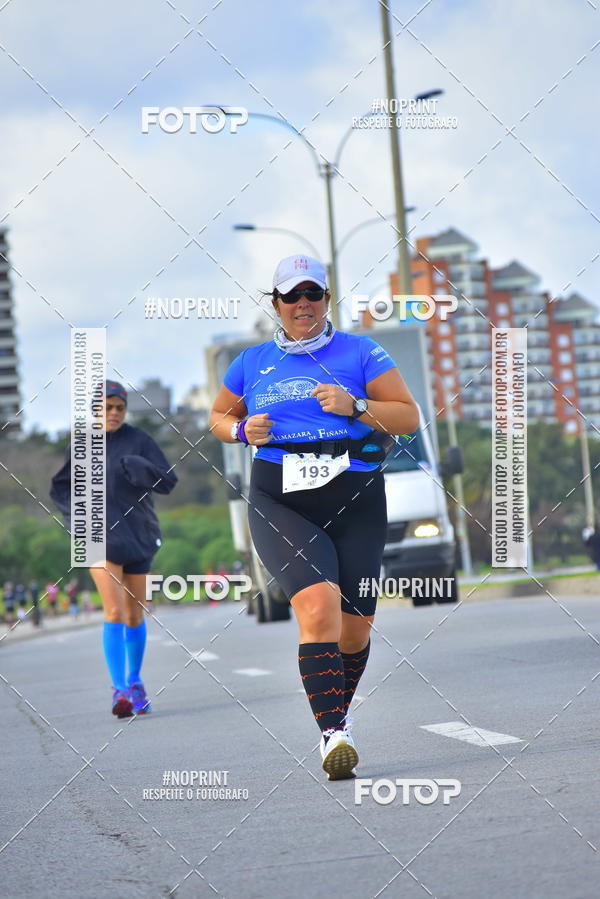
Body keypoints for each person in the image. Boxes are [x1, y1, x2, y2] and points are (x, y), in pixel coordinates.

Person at [210, 255, 419, 779]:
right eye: (292, 297)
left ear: (328, 299)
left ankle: (336, 717)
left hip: (355, 494)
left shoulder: (361, 350)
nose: (303, 305)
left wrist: (356, 406)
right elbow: (218, 417)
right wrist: (240, 432)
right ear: (275, 304)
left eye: (314, 295)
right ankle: (333, 734)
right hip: (282, 496)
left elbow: (409, 417)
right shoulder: (249, 362)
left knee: (355, 630)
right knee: (319, 609)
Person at [51, 380, 178, 717]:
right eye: (106, 408)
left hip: (138, 534)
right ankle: (119, 689)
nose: (113, 414)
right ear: (94, 410)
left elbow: (168, 481)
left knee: (135, 614)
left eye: (119, 408)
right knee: (114, 612)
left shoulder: (141, 441)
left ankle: (135, 681)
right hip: (98, 538)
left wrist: (142, 468)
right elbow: (60, 489)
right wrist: (76, 521)